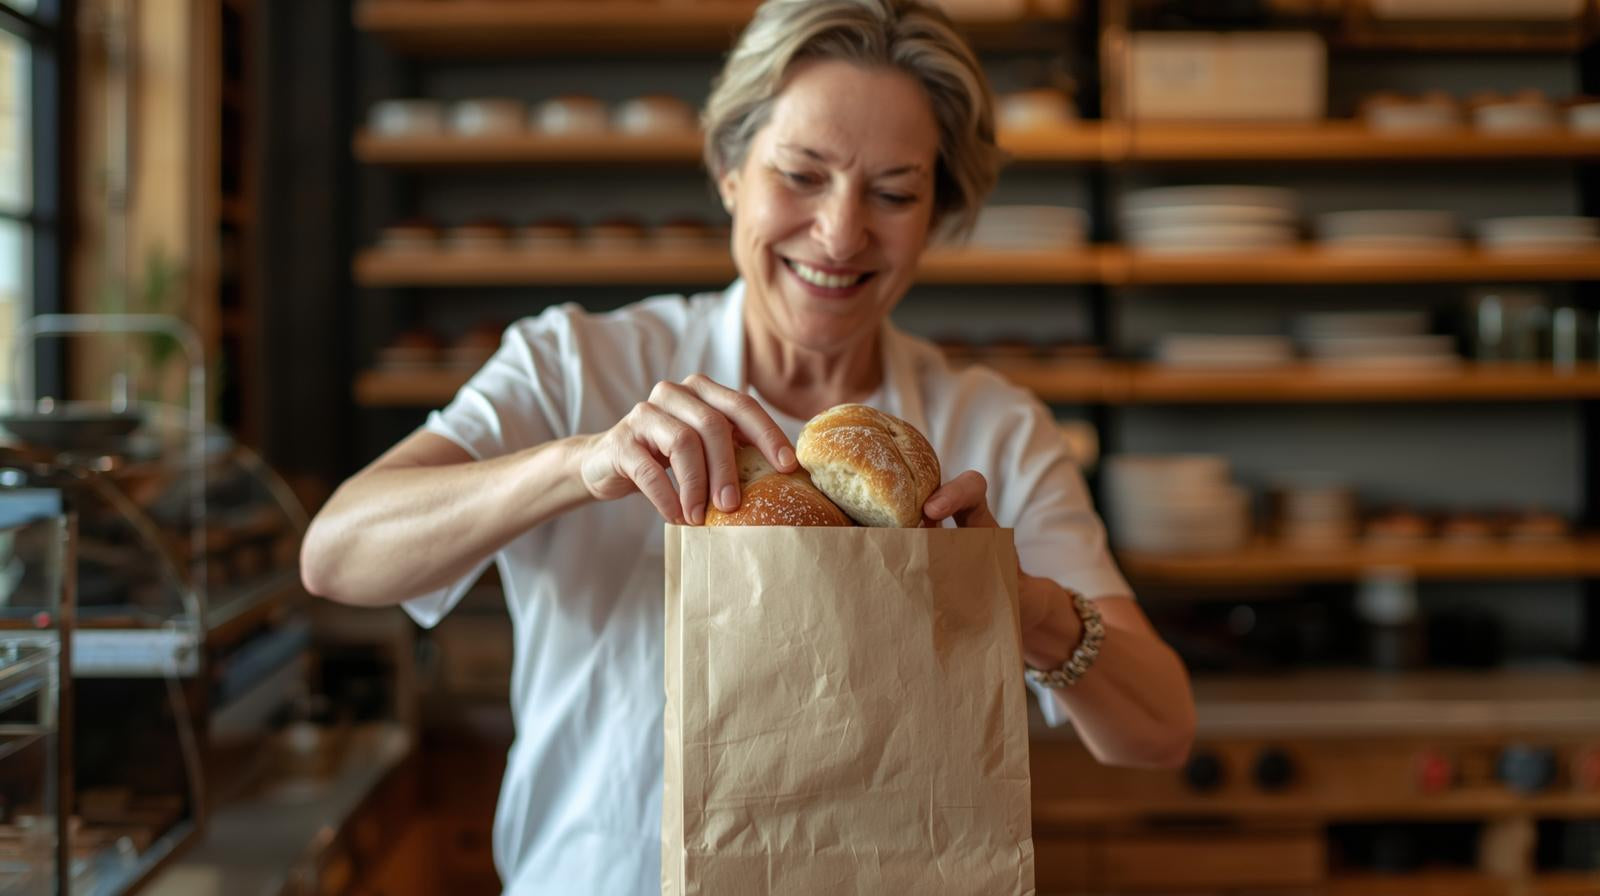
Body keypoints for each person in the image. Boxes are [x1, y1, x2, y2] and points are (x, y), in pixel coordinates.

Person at [301, 0, 1196, 892]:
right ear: (730, 171)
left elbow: (1159, 732)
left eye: (894, 193)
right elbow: (336, 554)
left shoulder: (990, 429)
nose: (840, 233)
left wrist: (1017, 603)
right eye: (801, 175)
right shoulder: (576, 364)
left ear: (937, 214)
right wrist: (577, 464)